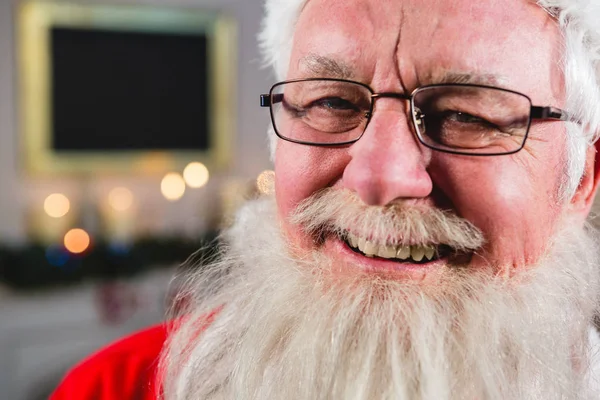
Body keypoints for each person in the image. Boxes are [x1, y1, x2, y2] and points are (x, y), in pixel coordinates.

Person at [54, 0, 600, 399]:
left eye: (467, 115)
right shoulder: (118, 386)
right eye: (332, 101)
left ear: (580, 181)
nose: (378, 178)